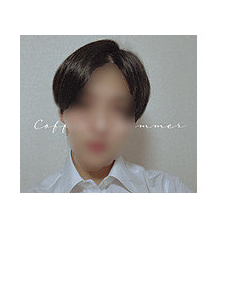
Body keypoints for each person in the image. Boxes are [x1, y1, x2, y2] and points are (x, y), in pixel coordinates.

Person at [30, 39, 191, 193]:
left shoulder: (167, 189)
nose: (101, 126)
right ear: (62, 112)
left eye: (120, 109)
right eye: (84, 104)